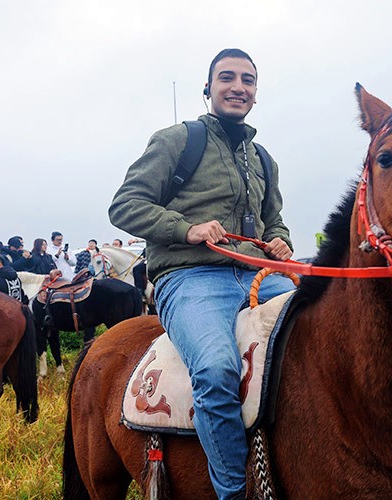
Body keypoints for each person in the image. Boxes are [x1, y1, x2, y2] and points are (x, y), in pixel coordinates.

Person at [109, 48, 294, 499]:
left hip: (260, 277)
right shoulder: (178, 140)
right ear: (208, 89)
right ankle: (234, 491)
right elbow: (124, 205)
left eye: (248, 80)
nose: (238, 86)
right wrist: (186, 229)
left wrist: (281, 240)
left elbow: (275, 219)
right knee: (215, 369)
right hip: (191, 280)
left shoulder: (264, 159)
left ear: (255, 93)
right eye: (227, 78)